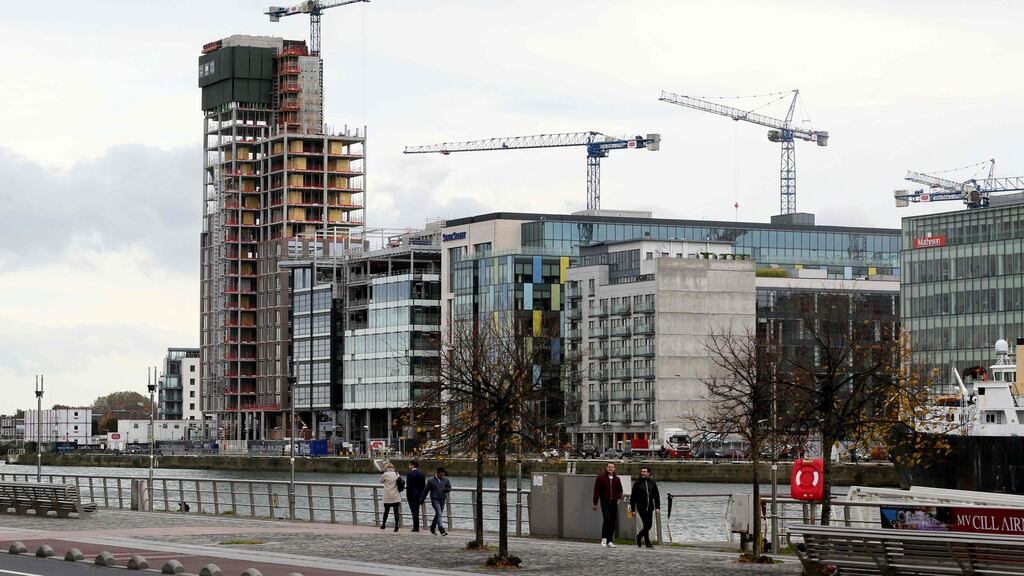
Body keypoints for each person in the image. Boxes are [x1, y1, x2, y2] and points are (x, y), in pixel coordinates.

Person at [592, 462, 624, 547]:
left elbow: (620, 490)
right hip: (604, 502)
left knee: (613, 521)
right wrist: (595, 503)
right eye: (609, 467)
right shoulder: (601, 477)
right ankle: (604, 538)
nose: (610, 469)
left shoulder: (617, 479)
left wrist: (617, 497)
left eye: (612, 467)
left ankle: (610, 540)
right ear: (607, 468)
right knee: (607, 518)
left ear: (614, 469)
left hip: (613, 503)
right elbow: (596, 490)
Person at [629, 466, 661, 548]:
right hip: (641, 507)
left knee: (648, 525)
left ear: (648, 473)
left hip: (650, 507)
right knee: (647, 524)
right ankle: (645, 540)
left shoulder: (652, 483)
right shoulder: (637, 484)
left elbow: (656, 496)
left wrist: (657, 507)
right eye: (642, 471)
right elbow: (633, 498)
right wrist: (632, 510)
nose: (643, 473)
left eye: (645, 471)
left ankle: (642, 538)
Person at [424, 466, 452, 536]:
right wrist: (422, 499)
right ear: (438, 473)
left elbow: (449, 487)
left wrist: (447, 489)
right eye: (441, 474)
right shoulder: (431, 480)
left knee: (438, 514)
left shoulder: (446, 480)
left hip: (442, 499)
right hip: (434, 498)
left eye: (443, 474)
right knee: (439, 512)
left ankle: (432, 526)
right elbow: (426, 490)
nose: (443, 475)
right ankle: (441, 529)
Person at [379, 462, 401, 532]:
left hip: (388, 495)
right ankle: (396, 526)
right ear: (393, 468)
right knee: (396, 511)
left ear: (386, 468)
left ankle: (383, 525)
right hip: (395, 495)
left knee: (386, 511)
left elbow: (381, 481)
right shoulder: (396, 474)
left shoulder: (385, 474)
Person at [406, 460, 427, 532]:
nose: (408, 467)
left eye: (409, 465)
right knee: (417, 510)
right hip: (419, 494)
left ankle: (415, 526)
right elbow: (424, 486)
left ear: (412, 465)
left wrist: (407, 495)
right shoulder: (421, 474)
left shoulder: (409, 474)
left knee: (413, 510)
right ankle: (417, 526)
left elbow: (409, 486)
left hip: (411, 494)